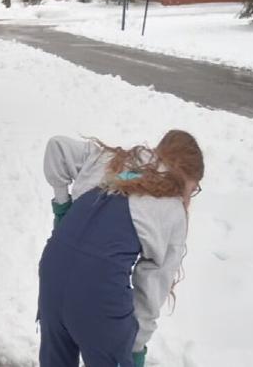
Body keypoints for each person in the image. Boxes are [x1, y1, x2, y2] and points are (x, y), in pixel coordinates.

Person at [38, 130, 204, 367]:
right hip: (98, 292)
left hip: (52, 271)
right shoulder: (173, 209)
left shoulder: (113, 161)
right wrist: (134, 348)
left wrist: (62, 209)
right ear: (189, 178)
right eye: (194, 189)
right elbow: (152, 284)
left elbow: (57, 147)